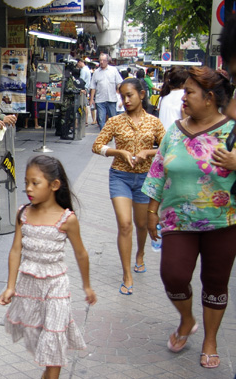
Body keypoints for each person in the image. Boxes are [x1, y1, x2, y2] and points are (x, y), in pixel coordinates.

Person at [143, 66, 236, 370]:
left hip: (222, 221)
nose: (183, 99)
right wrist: (152, 210)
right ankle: (187, 320)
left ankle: (210, 340)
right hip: (177, 220)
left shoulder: (232, 130)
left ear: (209, 98)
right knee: (173, 275)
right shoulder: (176, 129)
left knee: (215, 282)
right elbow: (158, 170)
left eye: (189, 93)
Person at [0, 155, 96, 379]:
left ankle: (51, 374)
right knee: (36, 336)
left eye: (35, 183)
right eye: (26, 183)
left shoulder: (66, 219)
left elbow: (81, 253)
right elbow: (16, 250)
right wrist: (10, 286)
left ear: (54, 185)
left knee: (54, 340)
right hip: (29, 287)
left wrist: (87, 286)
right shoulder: (23, 213)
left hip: (56, 287)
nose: (28, 188)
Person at [92, 78, 166, 295]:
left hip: (145, 179)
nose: (125, 100)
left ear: (142, 95)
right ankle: (127, 274)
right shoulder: (115, 121)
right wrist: (119, 152)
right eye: (122, 96)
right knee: (125, 225)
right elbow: (97, 146)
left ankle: (140, 254)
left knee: (141, 224)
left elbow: (168, 148)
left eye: (129, 95)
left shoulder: (154, 122)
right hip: (120, 177)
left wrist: (147, 153)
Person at [90, 53, 123, 130]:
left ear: (107, 61)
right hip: (100, 100)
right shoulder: (96, 72)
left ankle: (111, 134)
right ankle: (104, 135)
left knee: (113, 119)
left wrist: (122, 96)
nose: (101, 62)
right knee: (101, 119)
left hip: (111, 99)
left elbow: (119, 83)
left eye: (103, 60)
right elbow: (93, 87)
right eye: (100, 60)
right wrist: (91, 99)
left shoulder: (113, 70)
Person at [158, 66, 188, 131]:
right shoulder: (185, 95)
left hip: (163, 137)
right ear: (183, 83)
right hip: (176, 136)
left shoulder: (163, 97)